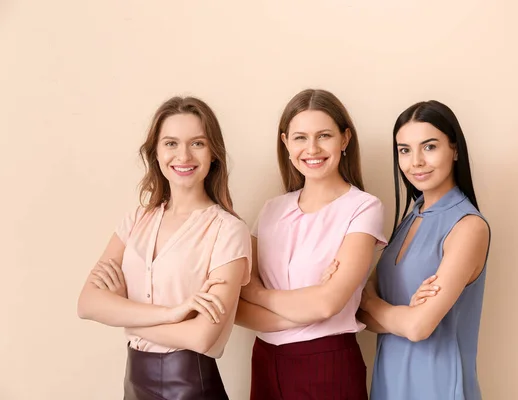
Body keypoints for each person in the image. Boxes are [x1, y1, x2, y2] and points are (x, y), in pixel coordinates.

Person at [77, 96, 251, 400]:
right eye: (171, 143)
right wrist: (173, 314)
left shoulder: (228, 230)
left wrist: (123, 312)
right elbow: (87, 304)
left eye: (197, 143)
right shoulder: (136, 221)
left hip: (190, 384)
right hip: (134, 380)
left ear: (214, 154)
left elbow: (201, 336)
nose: (183, 155)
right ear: (155, 152)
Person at [235, 88, 388, 400]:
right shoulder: (271, 209)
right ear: (286, 143)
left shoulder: (363, 207)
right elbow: (236, 305)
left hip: (327, 363)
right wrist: (307, 308)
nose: (312, 148)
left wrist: (260, 294)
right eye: (300, 137)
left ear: (345, 139)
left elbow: (327, 304)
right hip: (265, 360)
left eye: (325, 136)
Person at [359, 100, 491, 400]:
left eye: (429, 147)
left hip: (438, 385)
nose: (415, 161)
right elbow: (361, 316)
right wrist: (402, 316)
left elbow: (418, 327)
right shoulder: (412, 216)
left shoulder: (467, 226)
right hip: (389, 383)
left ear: (454, 149)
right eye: (404, 150)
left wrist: (376, 304)